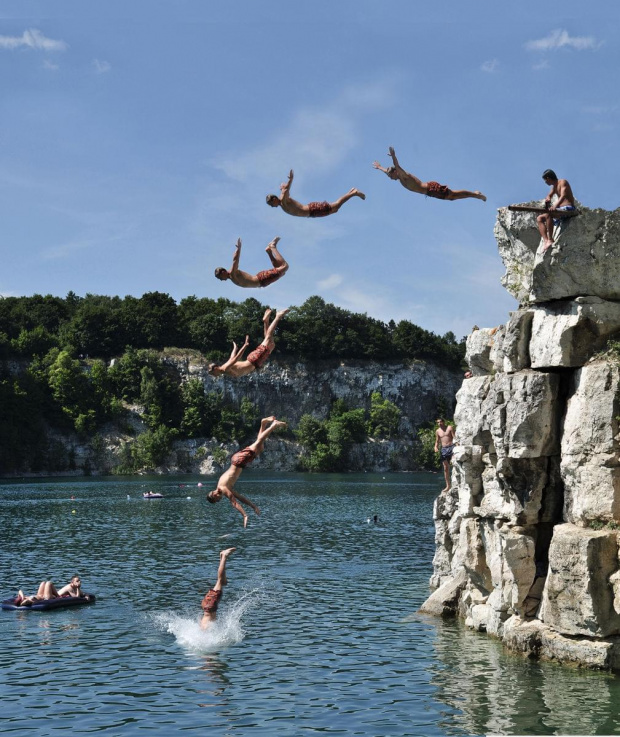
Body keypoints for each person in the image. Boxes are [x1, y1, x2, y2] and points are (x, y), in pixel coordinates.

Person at [206, 416, 287, 527]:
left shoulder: (223, 488)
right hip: (239, 461)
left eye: (217, 500)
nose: (219, 500)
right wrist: (253, 506)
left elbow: (234, 502)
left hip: (239, 461)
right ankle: (263, 423)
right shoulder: (224, 488)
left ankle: (273, 425)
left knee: (259, 441)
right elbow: (240, 498)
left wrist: (244, 515)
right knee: (260, 447)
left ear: (214, 495)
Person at [373, 147, 486, 202]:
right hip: (430, 192)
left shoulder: (403, 175)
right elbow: (389, 171)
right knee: (452, 197)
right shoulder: (399, 178)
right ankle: (475, 195)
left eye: (390, 175)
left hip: (431, 188)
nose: (389, 178)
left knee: (452, 195)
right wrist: (380, 168)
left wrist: (393, 156)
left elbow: (396, 165)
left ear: (395, 173)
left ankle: (475, 194)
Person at [208, 308, 289, 378]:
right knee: (271, 344)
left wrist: (245, 345)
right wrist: (235, 348)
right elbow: (232, 357)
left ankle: (278, 317)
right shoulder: (224, 369)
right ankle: (266, 321)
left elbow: (236, 358)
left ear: (215, 368)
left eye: (212, 373)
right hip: (255, 362)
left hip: (254, 360)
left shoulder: (225, 368)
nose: (213, 375)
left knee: (268, 338)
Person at [266, 169, 365, 217]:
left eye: (271, 203)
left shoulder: (283, 199)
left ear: (274, 199)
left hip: (312, 209)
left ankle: (354, 193)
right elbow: (285, 190)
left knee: (336, 206)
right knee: (335, 209)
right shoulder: (282, 203)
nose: (271, 206)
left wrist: (290, 180)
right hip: (311, 213)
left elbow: (287, 190)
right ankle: (351, 192)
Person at [214, 237, 288, 288]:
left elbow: (235, 260)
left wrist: (238, 249)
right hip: (262, 282)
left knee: (285, 266)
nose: (220, 279)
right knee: (281, 271)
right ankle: (269, 252)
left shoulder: (233, 273)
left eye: (219, 277)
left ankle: (272, 246)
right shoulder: (232, 277)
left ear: (223, 272)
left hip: (262, 278)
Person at [537, 169, 576, 252]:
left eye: (545, 180)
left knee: (549, 215)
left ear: (548, 178)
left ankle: (550, 239)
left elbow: (563, 196)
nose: (545, 182)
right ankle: (546, 240)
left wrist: (555, 206)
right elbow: (549, 195)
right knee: (539, 218)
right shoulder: (554, 187)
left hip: (568, 209)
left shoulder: (563, 182)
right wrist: (548, 198)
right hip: (560, 211)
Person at [200, 547, 236, 630]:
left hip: (210, 606)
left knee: (220, 580)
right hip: (206, 605)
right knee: (222, 582)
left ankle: (224, 556)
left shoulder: (206, 630)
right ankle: (222, 556)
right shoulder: (202, 628)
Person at [15, 575, 89, 606]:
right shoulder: (69, 587)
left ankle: (23, 600)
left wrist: (86, 595)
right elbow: (76, 598)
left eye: (79, 581)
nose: (79, 582)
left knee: (43, 583)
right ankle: (24, 601)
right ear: (72, 583)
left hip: (40, 596)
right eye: (77, 581)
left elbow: (82, 594)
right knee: (49, 583)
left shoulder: (26, 598)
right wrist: (78, 588)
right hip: (49, 597)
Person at [434, 418, 456, 493]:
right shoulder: (437, 431)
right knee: (445, 468)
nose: (439, 423)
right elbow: (437, 441)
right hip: (444, 449)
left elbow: (454, 437)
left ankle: (456, 482)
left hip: (451, 447)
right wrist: (436, 447)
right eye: (438, 422)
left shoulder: (449, 428)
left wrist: (457, 445)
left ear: (444, 422)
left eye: (440, 422)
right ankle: (448, 486)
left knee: (454, 463)